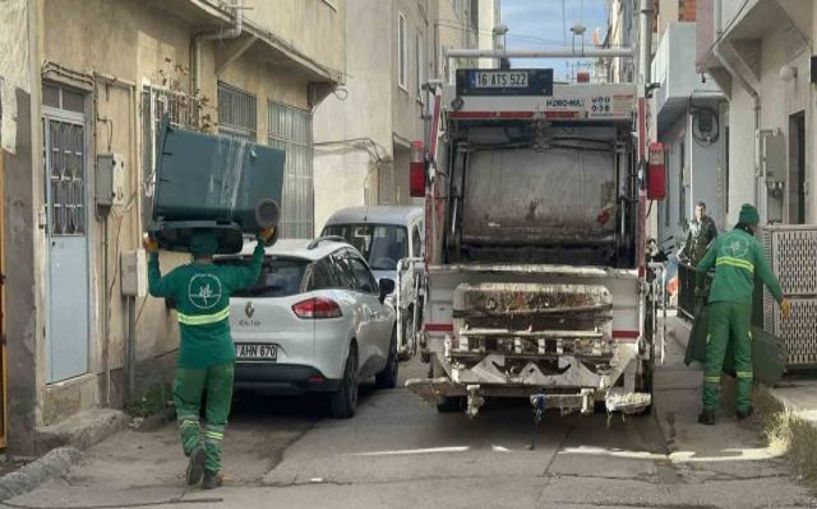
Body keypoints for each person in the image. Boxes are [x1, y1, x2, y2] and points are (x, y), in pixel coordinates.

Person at [144, 228, 273, 489]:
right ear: (212, 250)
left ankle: (194, 447)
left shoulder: (181, 277)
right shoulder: (224, 276)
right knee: (216, 417)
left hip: (192, 360)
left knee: (186, 405)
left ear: (192, 251)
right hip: (222, 358)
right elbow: (251, 273)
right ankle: (212, 473)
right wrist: (261, 243)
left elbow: (156, 288)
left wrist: (153, 255)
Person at [695, 204, 791, 425]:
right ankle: (743, 408)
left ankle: (708, 412)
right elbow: (768, 278)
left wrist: (701, 290)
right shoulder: (754, 245)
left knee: (715, 356)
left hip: (719, 303)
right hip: (741, 306)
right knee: (743, 355)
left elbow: (701, 267)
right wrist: (781, 300)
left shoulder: (721, 240)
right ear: (752, 224)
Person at [679, 202, 719, 309]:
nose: (699, 213)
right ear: (695, 211)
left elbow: (716, 238)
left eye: (701, 210)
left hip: (705, 259)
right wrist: (683, 253)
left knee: (703, 285)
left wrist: (709, 249)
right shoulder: (692, 224)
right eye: (697, 210)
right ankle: (691, 307)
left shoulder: (709, 223)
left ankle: (703, 308)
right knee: (692, 284)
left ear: (705, 211)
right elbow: (688, 241)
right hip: (694, 259)